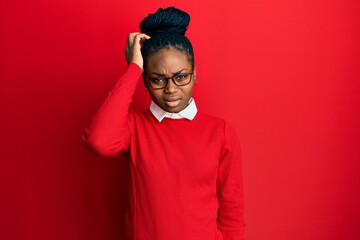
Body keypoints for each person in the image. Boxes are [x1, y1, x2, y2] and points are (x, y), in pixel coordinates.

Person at [83, 7, 245, 240]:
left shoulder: (221, 132)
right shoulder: (134, 127)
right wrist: (133, 69)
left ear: (194, 73)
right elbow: (99, 141)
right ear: (145, 82)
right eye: (157, 79)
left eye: (180, 77)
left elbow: (233, 214)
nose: (170, 89)